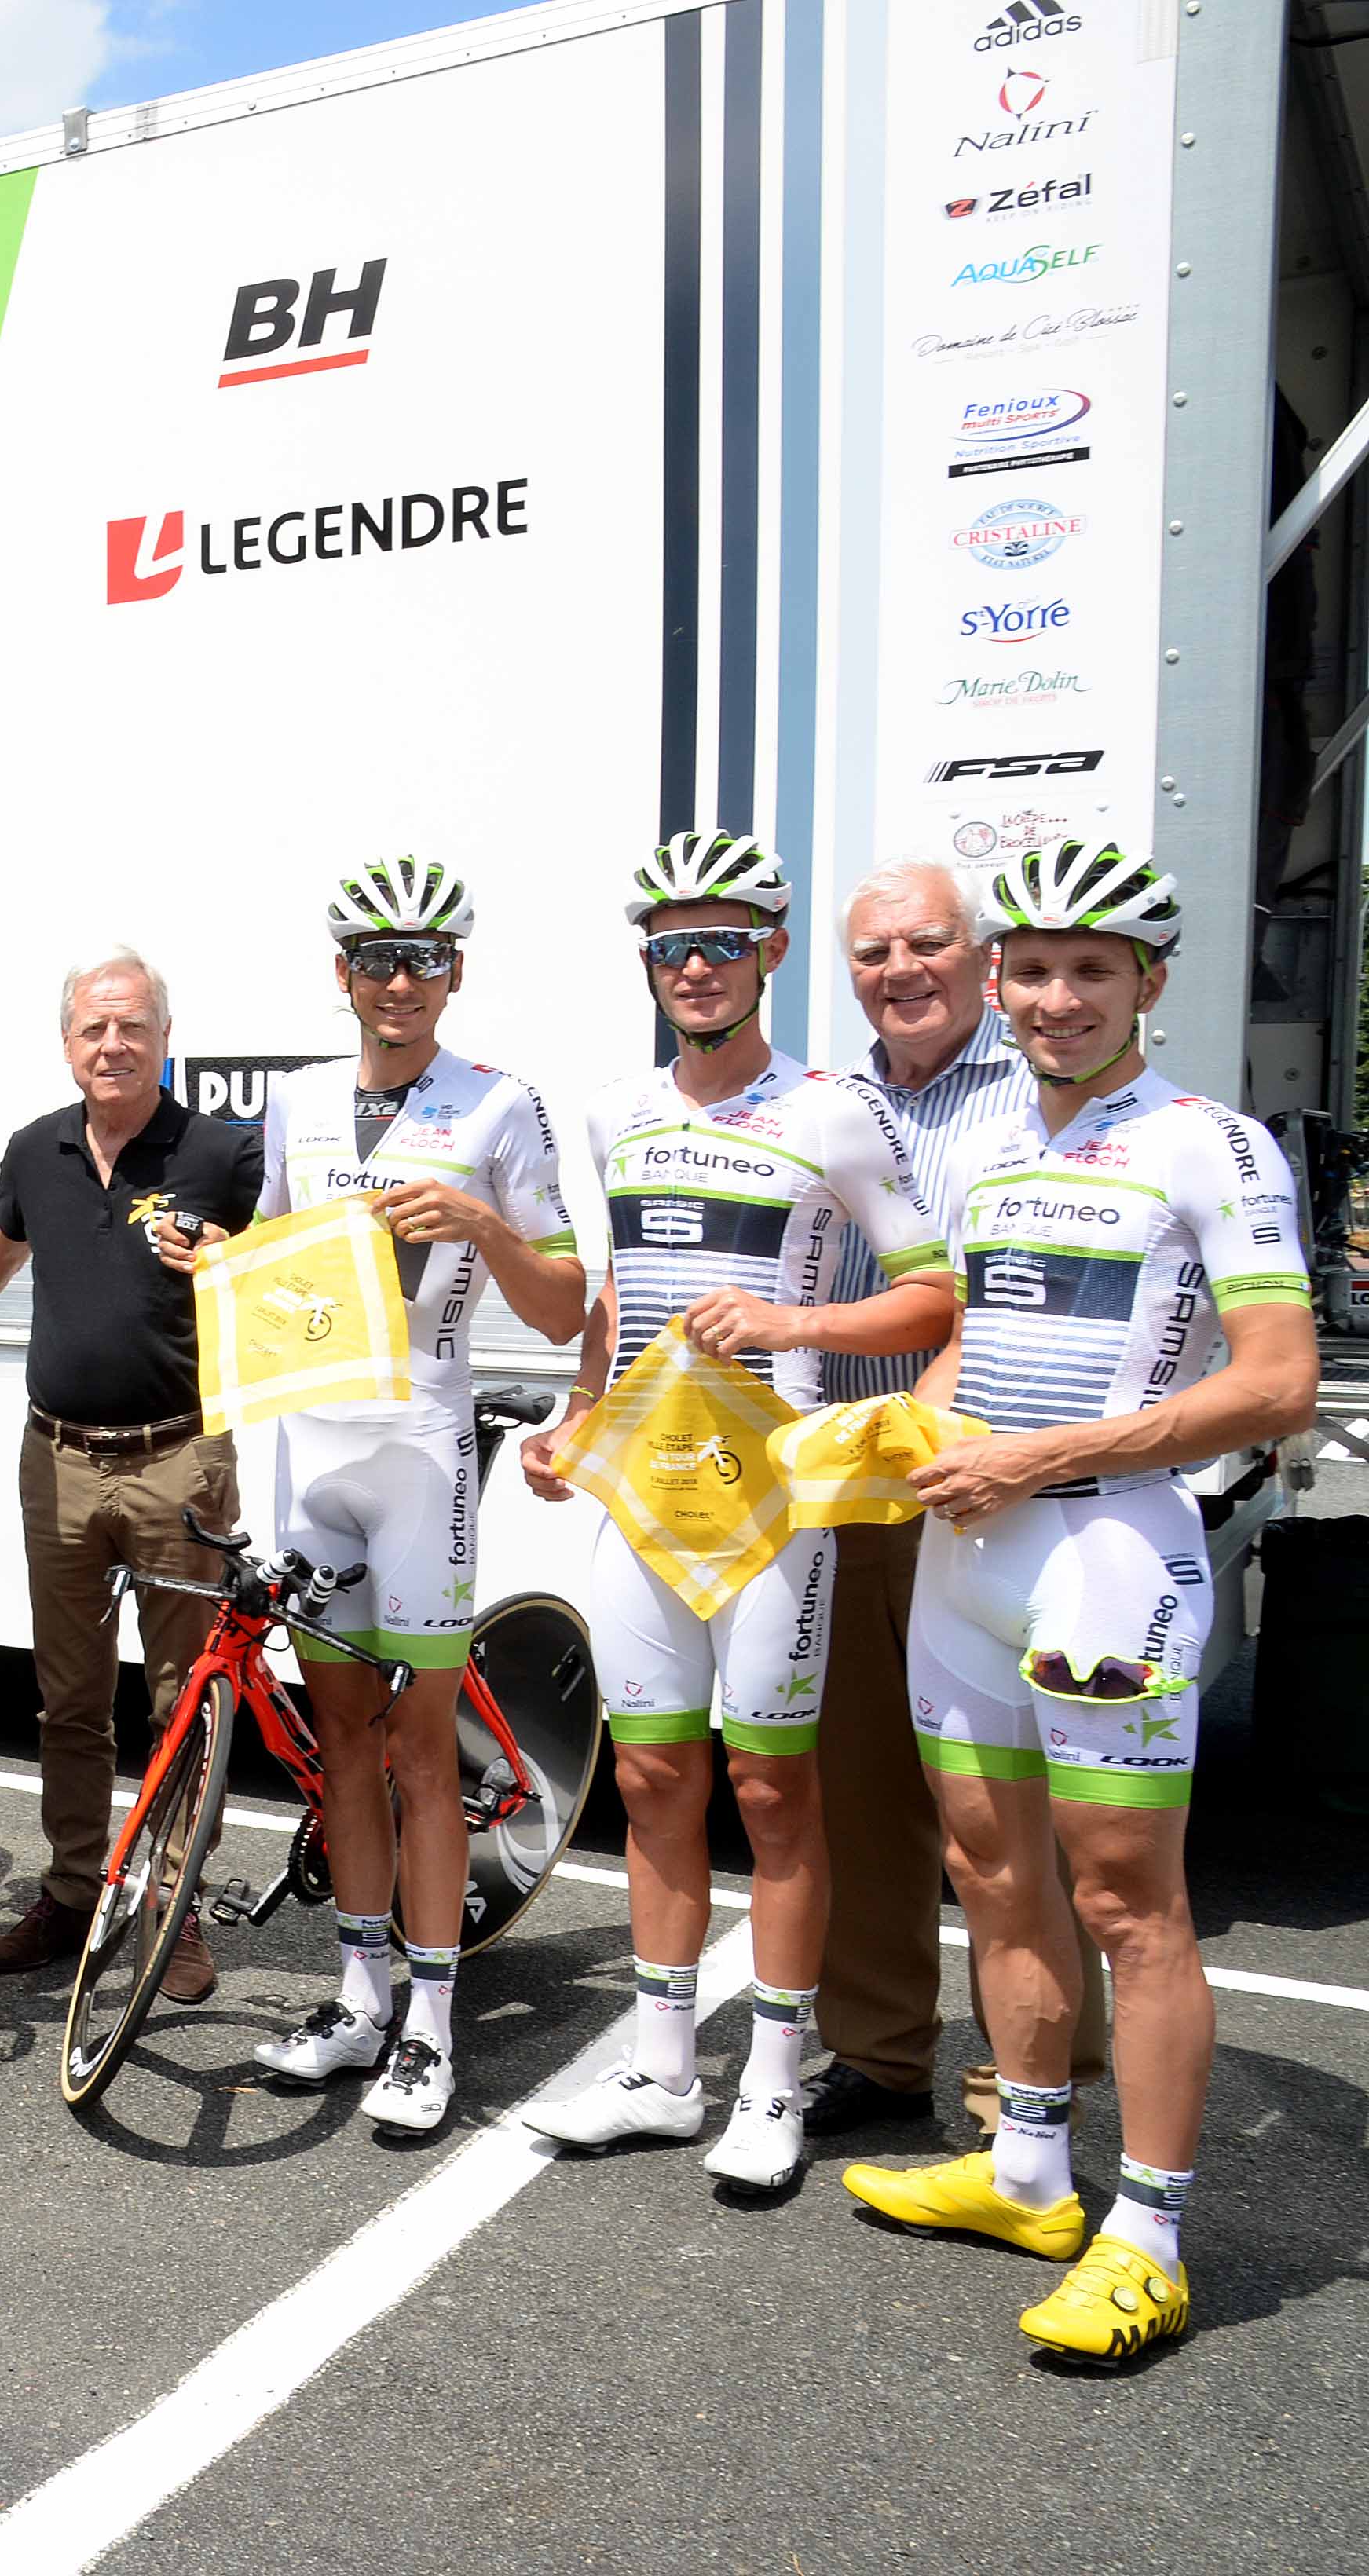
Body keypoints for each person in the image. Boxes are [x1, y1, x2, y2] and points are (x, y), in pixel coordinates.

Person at [843, 842, 1316, 2366]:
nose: (1055, 998)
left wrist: (1040, 1455)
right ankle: (1029, 2172)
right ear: (998, 980)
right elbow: (969, 1338)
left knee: (1127, 1904)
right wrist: (908, 1424)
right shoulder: (987, 1148)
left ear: (1146, 981)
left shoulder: (1207, 1144)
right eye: (1033, 969)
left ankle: (1152, 2239)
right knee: (988, 1872)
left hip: (1108, 1557)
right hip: (967, 1560)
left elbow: (1276, 1382)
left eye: (1090, 970)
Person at [517, 832, 952, 2190]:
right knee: (652, 1781)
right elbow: (614, 1297)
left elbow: (934, 1295)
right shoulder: (612, 1112)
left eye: (721, 944)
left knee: (771, 1788)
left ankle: (770, 2080)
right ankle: (659, 2072)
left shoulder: (830, 1111)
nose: (694, 968)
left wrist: (789, 1322)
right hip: (645, 1492)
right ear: (647, 965)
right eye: (670, 948)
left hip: (776, 1495)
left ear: (769, 953)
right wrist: (575, 1417)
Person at [237, 863, 588, 2133]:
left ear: (456, 973)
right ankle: (359, 1996)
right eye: (377, 960)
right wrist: (212, 1261)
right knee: (340, 1743)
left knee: (419, 1749)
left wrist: (484, 1227)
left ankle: (432, 2024)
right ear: (342, 975)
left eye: (424, 958)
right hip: (311, 1459)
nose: (400, 981)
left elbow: (564, 1308)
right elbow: (271, 1266)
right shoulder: (294, 1102)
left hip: (419, 1458)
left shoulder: (500, 1106)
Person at [807, 862, 1112, 2137]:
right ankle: (877, 2053)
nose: (900, 971)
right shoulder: (821, 1105)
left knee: (1008, 1808)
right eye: (873, 953)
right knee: (859, 1792)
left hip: (1000, 1494)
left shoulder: (1036, 1094)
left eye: (925, 943)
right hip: (850, 1494)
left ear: (978, 960)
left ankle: (1026, 2079)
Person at [0, 949, 255, 2008]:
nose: (113, 1044)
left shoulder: (222, 1153)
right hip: (55, 1455)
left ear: (164, 1039)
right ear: (67, 1044)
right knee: (69, 1699)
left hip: (179, 1456)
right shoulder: (34, 1149)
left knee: (184, 1700)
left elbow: (293, 1280)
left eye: (133, 1025)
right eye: (94, 1028)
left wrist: (235, 1264)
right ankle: (70, 1889)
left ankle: (172, 1904)